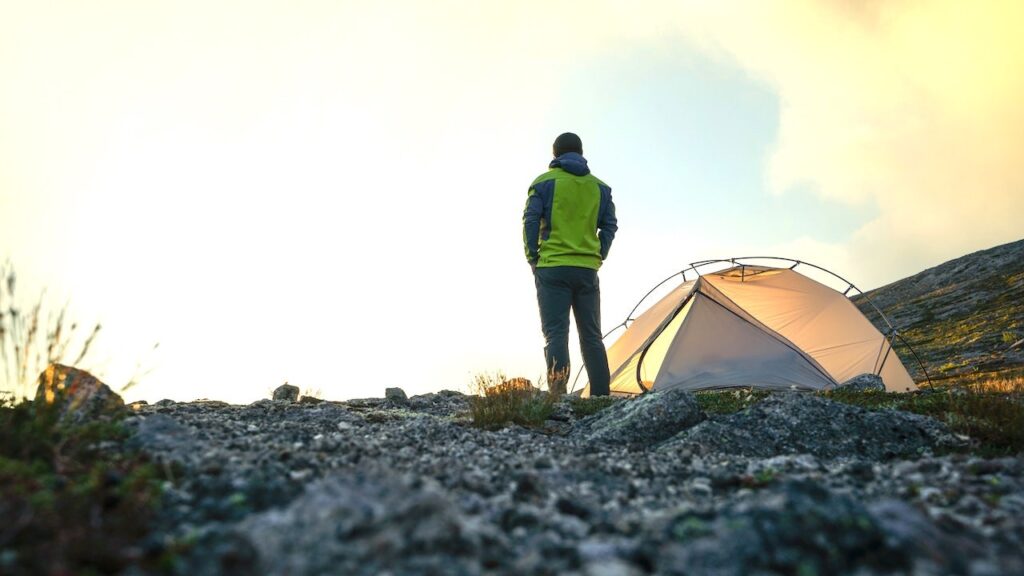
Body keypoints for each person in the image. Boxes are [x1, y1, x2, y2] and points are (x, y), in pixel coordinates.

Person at [523, 132, 617, 396]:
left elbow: (530, 220)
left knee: (556, 334)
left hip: (552, 267)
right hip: (587, 270)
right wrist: (600, 253)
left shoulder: (543, 183)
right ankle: (600, 397)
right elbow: (610, 225)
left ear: (555, 155)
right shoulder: (600, 188)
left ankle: (558, 395)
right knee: (591, 336)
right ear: (581, 152)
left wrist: (533, 256)